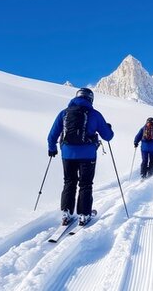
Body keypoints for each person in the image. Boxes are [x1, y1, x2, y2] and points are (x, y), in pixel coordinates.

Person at [47, 88, 114, 226]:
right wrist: (108, 127)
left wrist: (52, 148)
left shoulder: (64, 113)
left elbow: (52, 135)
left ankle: (66, 213)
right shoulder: (94, 114)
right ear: (90, 99)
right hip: (87, 155)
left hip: (67, 154)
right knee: (85, 184)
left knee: (69, 182)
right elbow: (108, 136)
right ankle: (84, 214)